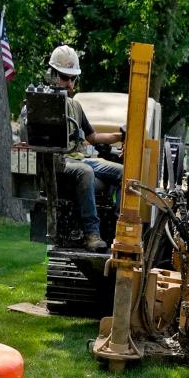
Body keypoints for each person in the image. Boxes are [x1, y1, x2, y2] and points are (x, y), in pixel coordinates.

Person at [46, 44, 125, 252]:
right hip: (58, 161)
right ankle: (92, 234)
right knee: (86, 172)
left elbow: (93, 136)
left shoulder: (75, 106)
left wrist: (120, 136)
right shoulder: (41, 104)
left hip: (79, 158)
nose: (70, 84)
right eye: (65, 77)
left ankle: (120, 230)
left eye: (73, 79)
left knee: (125, 173)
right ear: (52, 74)